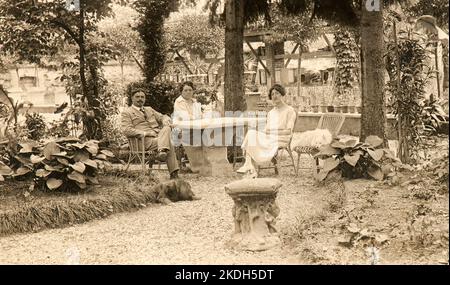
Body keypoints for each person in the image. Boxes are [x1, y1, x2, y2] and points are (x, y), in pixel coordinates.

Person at [238, 84, 296, 178]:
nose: (274, 96)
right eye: (272, 94)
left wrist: (271, 132)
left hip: (282, 138)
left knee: (253, 136)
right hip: (270, 136)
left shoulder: (290, 111)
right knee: (251, 134)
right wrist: (263, 133)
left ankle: (249, 168)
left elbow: (288, 131)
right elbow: (266, 130)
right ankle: (249, 165)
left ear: (282, 95)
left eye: (277, 93)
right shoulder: (271, 113)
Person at [121, 90, 179, 179]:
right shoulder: (127, 112)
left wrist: (165, 120)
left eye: (142, 97)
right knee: (169, 142)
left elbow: (162, 117)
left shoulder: (149, 109)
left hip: (158, 139)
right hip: (142, 141)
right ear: (132, 98)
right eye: (137, 97)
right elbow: (126, 130)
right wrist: (146, 133)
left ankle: (162, 151)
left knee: (167, 127)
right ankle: (173, 173)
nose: (140, 99)